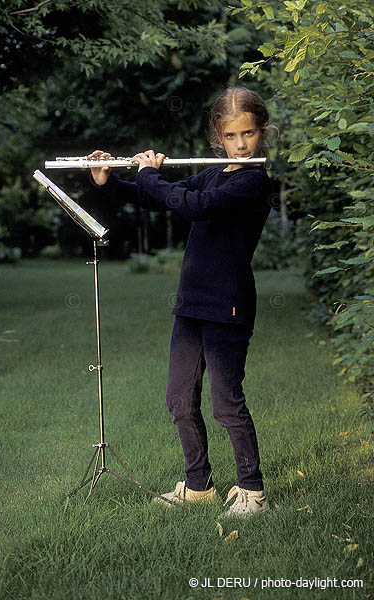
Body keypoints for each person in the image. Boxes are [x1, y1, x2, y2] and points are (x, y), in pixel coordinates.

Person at [89, 86, 275, 518]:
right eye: (232, 136)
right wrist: (111, 180)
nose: (241, 144)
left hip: (227, 304)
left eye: (248, 134)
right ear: (219, 136)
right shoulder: (213, 174)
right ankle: (198, 485)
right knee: (178, 398)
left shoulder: (253, 181)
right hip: (191, 303)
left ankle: (253, 491)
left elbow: (194, 207)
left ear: (261, 132)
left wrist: (150, 173)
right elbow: (159, 198)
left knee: (225, 401)